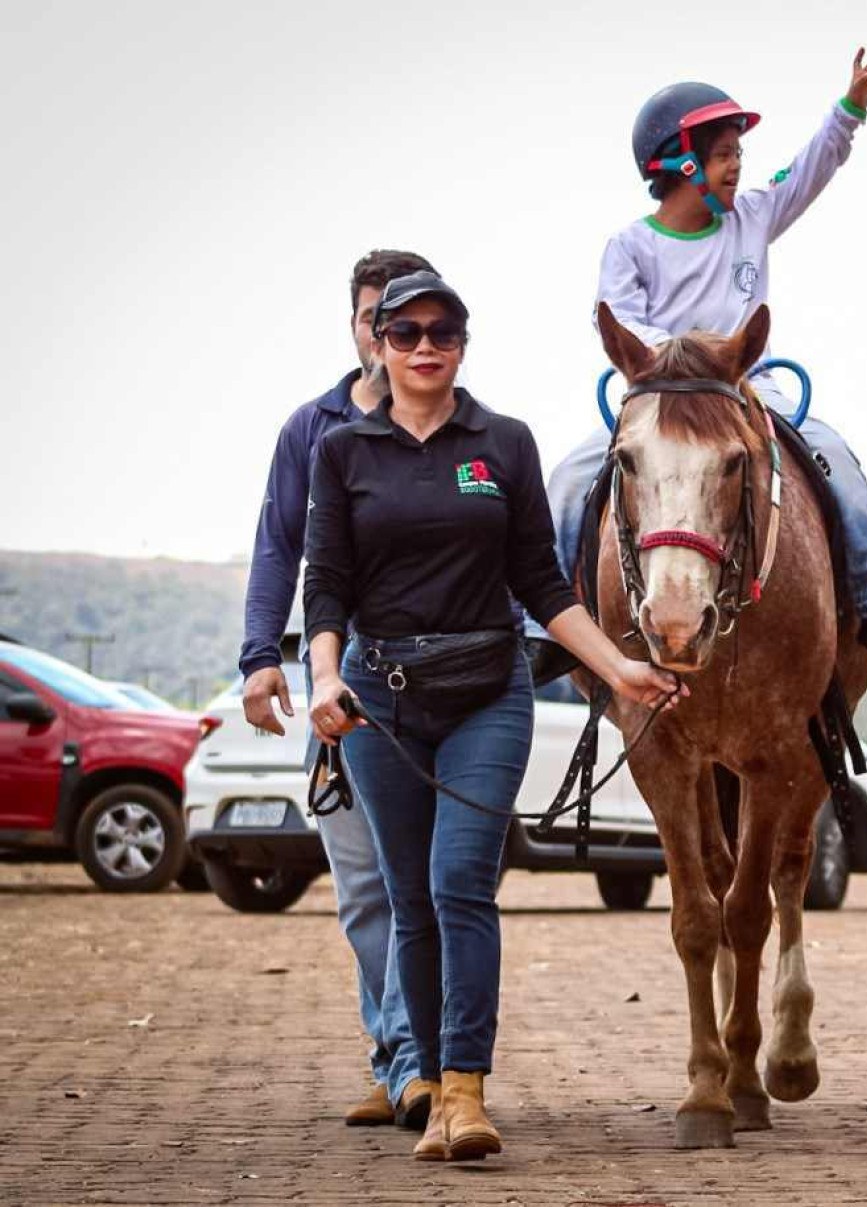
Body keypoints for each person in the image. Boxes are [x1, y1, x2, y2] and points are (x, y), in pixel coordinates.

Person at [303, 271, 682, 1161]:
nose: (425, 345)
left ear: (463, 343)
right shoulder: (344, 451)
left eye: (443, 330)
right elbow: (324, 582)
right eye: (405, 332)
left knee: (459, 881)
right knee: (409, 900)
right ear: (378, 344)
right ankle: (427, 1080)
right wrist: (324, 680)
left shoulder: (503, 442)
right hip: (380, 703)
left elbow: (540, 584)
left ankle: (466, 1094)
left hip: (487, 692)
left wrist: (621, 667)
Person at [527, 49, 867, 683]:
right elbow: (622, 323)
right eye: (725, 153)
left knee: (834, 457)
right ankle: (539, 628)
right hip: (658, 399)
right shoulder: (630, 246)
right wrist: (684, 358)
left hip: (744, 390)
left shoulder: (753, 217)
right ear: (683, 163)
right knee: (569, 480)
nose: (738, 165)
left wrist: (850, 110)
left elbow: (808, 172)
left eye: (738, 153)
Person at [237, 248, 435, 1132]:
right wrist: (259, 656)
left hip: (437, 686)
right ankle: (400, 1058)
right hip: (338, 684)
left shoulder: (457, 426)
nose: (389, 331)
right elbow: (280, 546)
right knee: (363, 885)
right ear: (359, 325)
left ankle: (413, 1060)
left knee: (423, 883)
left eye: (409, 316)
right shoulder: (310, 429)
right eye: (375, 315)